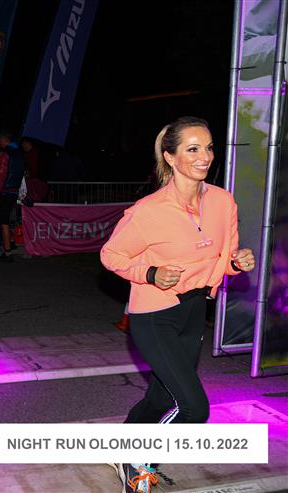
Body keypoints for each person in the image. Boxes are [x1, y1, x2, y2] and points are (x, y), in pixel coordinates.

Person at [100, 116, 255, 492]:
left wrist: (236, 263)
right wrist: (150, 273)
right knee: (194, 408)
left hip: (195, 311)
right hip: (155, 316)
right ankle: (138, 463)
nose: (205, 157)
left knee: (160, 396)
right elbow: (110, 255)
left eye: (209, 147)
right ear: (170, 157)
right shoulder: (149, 210)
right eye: (193, 149)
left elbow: (225, 257)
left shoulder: (223, 201)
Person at [0, 130, 24, 262]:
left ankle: (7, 252)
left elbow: (1, 174)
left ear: (3, 139)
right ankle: (10, 244)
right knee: (8, 219)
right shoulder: (19, 153)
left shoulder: (4, 153)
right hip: (14, 190)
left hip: (5, 191)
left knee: (3, 221)